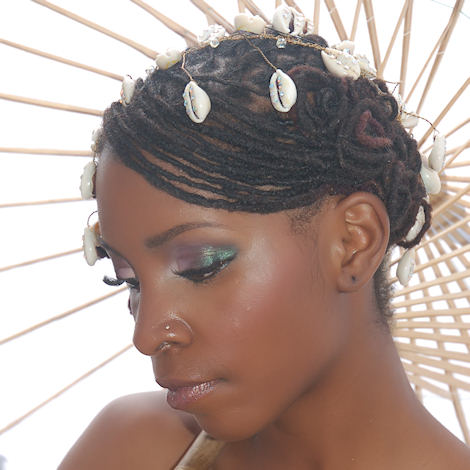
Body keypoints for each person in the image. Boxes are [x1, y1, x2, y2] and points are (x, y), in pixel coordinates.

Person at [59, 23, 470, 469]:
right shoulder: (130, 451)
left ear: (354, 242)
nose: (146, 335)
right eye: (130, 281)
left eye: (201, 266)